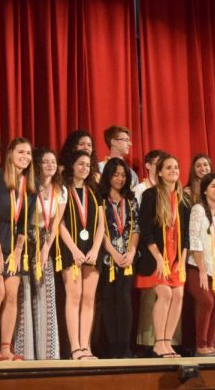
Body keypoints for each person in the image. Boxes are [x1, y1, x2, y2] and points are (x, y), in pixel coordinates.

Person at [0, 138, 36, 361]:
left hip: (15, 246)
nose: (25, 156)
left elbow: (25, 220)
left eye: (28, 153)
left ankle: (6, 348)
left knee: (12, 295)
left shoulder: (29, 183)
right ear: (10, 152)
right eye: (21, 152)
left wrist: (18, 250)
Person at [135, 153, 190, 358]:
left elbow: (185, 235)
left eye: (176, 167)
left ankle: (168, 343)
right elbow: (146, 231)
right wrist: (159, 259)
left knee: (178, 295)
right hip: (155, 258)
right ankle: (158, 342)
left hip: (176, 258)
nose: (174, 170)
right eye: (168, 167)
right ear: (159, 172)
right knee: (165, 294)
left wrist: (182, 261)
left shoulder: (182, 198)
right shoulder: (151, 195)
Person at [58, 150, 104, 359]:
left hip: (92, 250)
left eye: (88, 164)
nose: (84, 168)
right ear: (72, 165)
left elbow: (102, 225)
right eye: (80, 164)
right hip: (71, 250)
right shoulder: (63, 189)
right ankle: (75, 348)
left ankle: (86, 346)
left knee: (88, 298)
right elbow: (59, 223)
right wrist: (74, 250)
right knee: (74, 296)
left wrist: (95, 249)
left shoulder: (95, 190)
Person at [23, 148, 66, 360]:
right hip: (25, 240)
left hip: (46, 241)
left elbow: (56, 222)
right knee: (24, 292)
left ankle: (47, 352)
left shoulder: (61, 190)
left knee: (45, 291)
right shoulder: (30, 186)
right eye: (45, 161)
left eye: (53, 161)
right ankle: (25, 352)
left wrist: (46, 247)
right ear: (38, 164)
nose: (50, 165)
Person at [186, 173, 215, 356]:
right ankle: (200, 345)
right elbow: (195, 240)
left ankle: (211, 344)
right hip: (196, 267)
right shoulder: (198, 209)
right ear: (205, 190)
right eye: (213, 186)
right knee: (206, 301)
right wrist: (203, 271)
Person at [99, 157, 141, 358]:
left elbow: (136, 229)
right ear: (108, 176)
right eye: (115, 174)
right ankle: (112, 345)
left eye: (123, 175)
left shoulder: (131, 200)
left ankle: (124, 345)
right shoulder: (101, 199)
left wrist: (131, 252)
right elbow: (101, 231)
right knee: (108, 300)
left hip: (128, 260)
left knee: (124, 299)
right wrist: (113, 253)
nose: (120, 179)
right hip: (108, 258)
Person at [133, 149, 163, 351]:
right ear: (148, 166)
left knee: (168, 295)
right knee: (149, 297)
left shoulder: (168, 190)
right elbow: (138, 221)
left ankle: (166, 342)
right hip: (146, 247)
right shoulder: (141, 189)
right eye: (158, 163)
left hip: (166, 248)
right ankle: (146, 343)